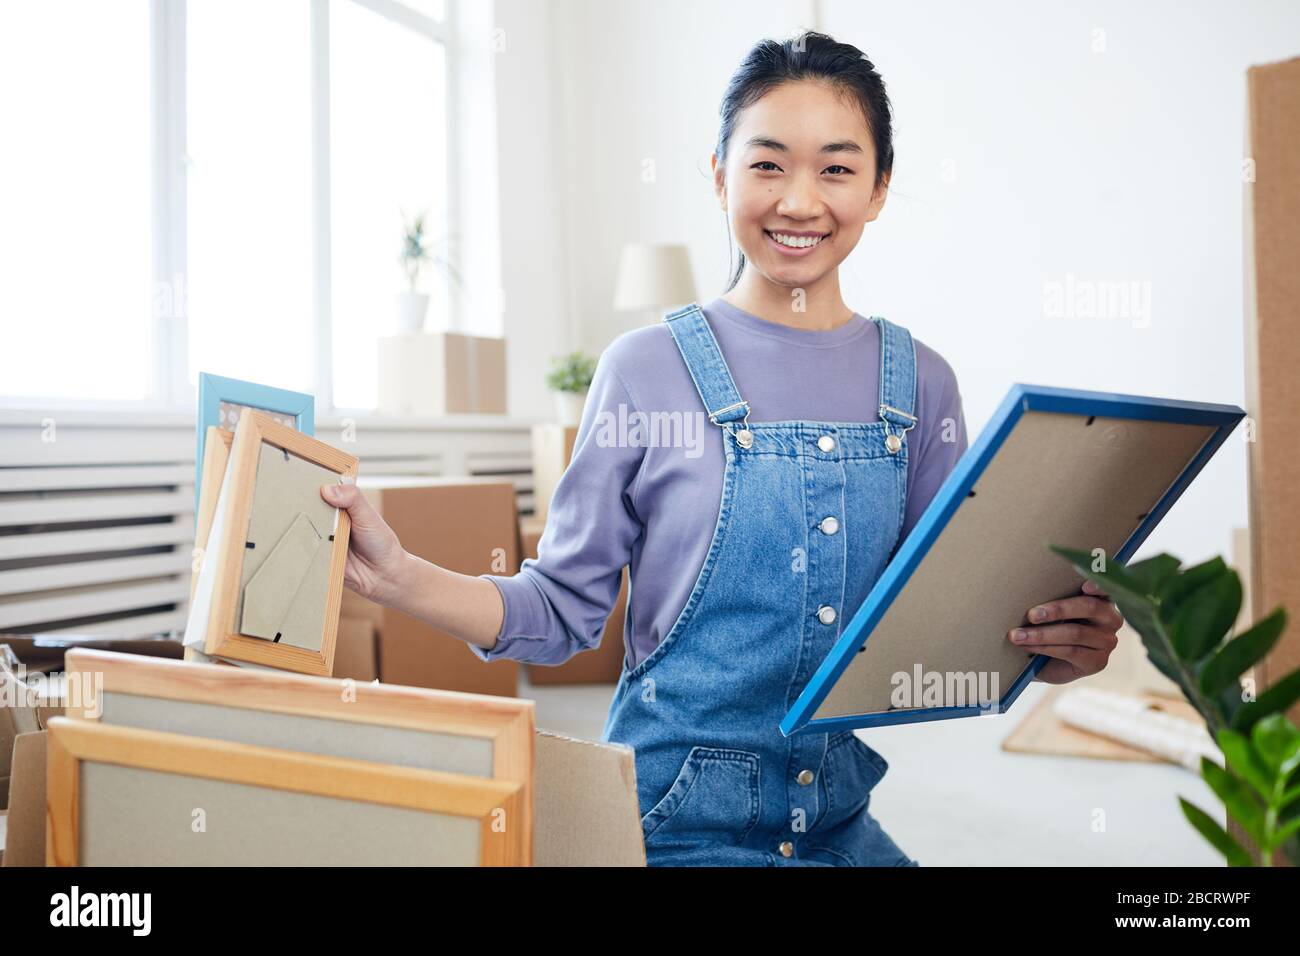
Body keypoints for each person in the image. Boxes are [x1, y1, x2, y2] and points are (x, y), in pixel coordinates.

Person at [322, 31, 1123, 867]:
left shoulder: (921, 383)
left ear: (881, 189)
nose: (800, 201)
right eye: (768, 164)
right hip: (671, 824)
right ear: (719, 175)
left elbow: (934, 635)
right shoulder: (644, 370)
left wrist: (1051, 656)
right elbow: (561, 613)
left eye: (838, 169)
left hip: (838, 821)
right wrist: (399, 575)